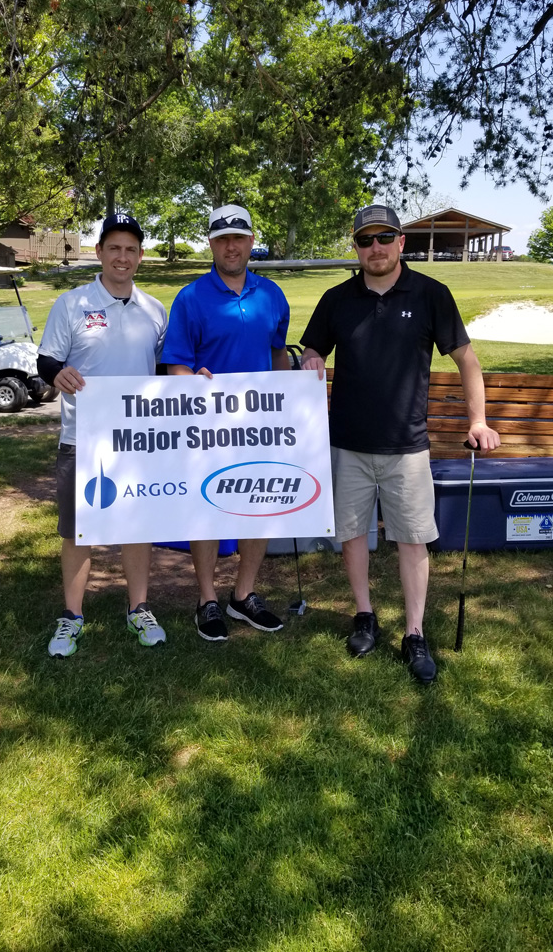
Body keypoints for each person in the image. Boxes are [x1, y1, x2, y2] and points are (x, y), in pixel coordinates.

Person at [299, 204, 501, 683]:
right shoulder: (336, 299)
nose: (376, 248)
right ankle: (364, 614)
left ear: (401, 242)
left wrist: (478, 420)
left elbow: (467, 361)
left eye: (385, 238)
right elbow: (312, 348)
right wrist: (310, 359)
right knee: (352, 535)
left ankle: (414, 632)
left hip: (408, 447)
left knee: (412, 539)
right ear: (356, 247)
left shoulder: (431, 294)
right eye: (365, 240)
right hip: (347, 443)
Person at [37, 213, 168, 657]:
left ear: (140, 256)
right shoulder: (71, 304)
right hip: (83, 438)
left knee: (137, 524)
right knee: (79, 531)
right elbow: (47, 361)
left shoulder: (154, 310)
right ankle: (72, 616)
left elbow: (164, 370)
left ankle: (139, 608)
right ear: (99, 252)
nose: (122, 257)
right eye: (114, 248)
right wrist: (57, 374)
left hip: (138, 440)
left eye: (131, 249)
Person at [162, 203, 291, 641]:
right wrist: (193, 384)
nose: (231, 246)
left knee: (259, 505)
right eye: (222, 239)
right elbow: (176, 365)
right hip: (207, 426)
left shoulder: (271, 295)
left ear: (251, 241)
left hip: (260, 424)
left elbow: (277, 353)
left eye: (238, 238)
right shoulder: (191, 298)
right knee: (209, 509)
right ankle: (207, 599)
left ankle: (243, 594)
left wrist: (291, 400)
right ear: (211, 244)